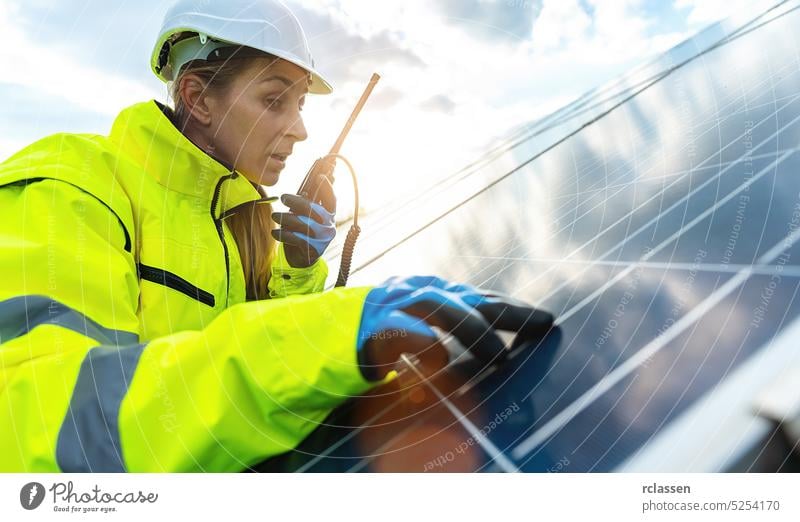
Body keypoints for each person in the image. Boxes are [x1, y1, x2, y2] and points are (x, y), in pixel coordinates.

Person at [0, 0, 554, 472]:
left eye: (301, 105)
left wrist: (295, 269)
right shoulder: (68, 183)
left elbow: (251, 356)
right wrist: (323, 338)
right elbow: (42, 423)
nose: (300, 128)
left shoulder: (245, 215)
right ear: (197, 98)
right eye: (273, 99)